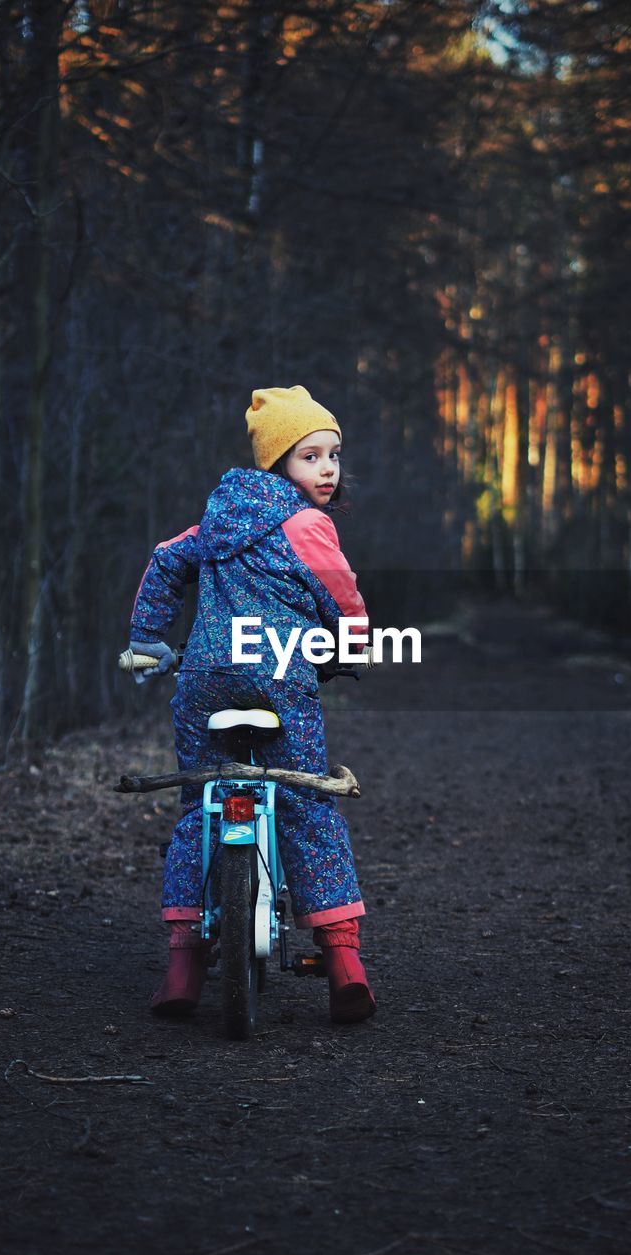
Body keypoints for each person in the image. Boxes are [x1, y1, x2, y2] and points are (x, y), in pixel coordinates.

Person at [128, 384, 376, 1025]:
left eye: (334, 455)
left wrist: (147, 639)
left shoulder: (215, 522)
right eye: (310, 456)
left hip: (205, 682)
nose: (327, 469)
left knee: (199, 807)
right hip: (281, 683)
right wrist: (352, 648)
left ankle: (183, 967)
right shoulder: (306, 525)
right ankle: (344, 961)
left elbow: (164, 561)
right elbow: (340, 594)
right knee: (304, 804)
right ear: (277, 464)